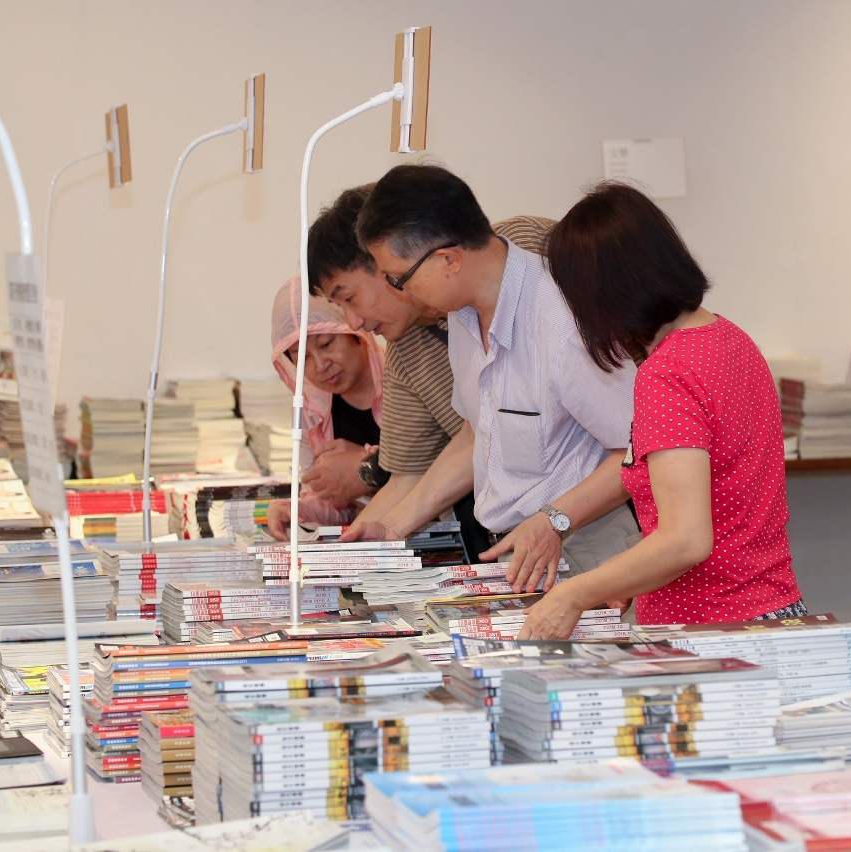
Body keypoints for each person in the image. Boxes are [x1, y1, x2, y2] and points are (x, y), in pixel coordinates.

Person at [515, 182, 806, 640]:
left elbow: (685, 539)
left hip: (711, 624)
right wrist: (627, 576)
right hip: (768, 608)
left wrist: (572, 595)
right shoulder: (729, 337)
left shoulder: (667, 373)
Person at [345, 165, 640, 595]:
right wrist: (393, 526)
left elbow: (637, 449)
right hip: (520, 550)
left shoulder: (562, 319)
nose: (399, 293)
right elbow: (476, 435)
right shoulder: (464, 316)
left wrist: (555, 520)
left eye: (398, 279)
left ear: (448, 260)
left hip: (587, 545)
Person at [308, 184, 557, 561]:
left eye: (350, 298)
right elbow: (460, 445)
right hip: (534, 534)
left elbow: (618, 428)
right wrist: (345, 556)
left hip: (593, 514)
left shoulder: (524, 251)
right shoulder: (416, 345)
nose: (353, 322)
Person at [264, 276, 385, 538]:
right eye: (302, 357)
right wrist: (296, 510)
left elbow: (431, 464)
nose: (320, 365)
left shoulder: (404, 380)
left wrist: (366, 465)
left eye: (327, 344)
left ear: (355, 331)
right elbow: (335, 502)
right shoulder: (311, 410)